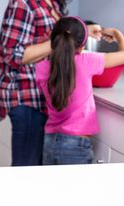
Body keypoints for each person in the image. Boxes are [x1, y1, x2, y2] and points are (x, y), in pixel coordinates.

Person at [0, 0, 103, 166]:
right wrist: (61, 41)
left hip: (40, 98)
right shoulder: (25, 0)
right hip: (26, 99)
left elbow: (50, 33)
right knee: (27, 173)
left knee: (35, 175)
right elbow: (14, 54)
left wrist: (83, 30)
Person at [35, 17, 124, 164]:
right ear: (82, 46)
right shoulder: (87, 61)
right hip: (76, 146)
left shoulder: (41, 67)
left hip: (49, 142)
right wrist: (117, 34)